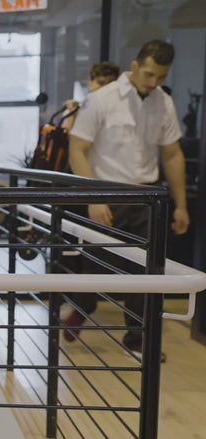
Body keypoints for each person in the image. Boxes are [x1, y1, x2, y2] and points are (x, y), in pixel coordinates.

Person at [66, 40, 190, 360]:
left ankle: (137, 339)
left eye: (161, 77)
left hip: (148, 196)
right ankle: (83, 305)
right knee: (97, 264)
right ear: (134, 67)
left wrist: (181, 205)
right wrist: (94, 196)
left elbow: (172, 154)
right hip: (107, 192)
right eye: (149, 74)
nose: (153, 82)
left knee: (146, 271)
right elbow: (77, 149)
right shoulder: (101, 99)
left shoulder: (163, 102)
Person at [62, 61, 121, 132]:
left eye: (110, 84)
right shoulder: (75, 111)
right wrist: (72, 115)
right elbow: (70, 138)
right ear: (90, 84)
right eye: (101, 83)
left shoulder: (121, 110)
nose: (105, 88)